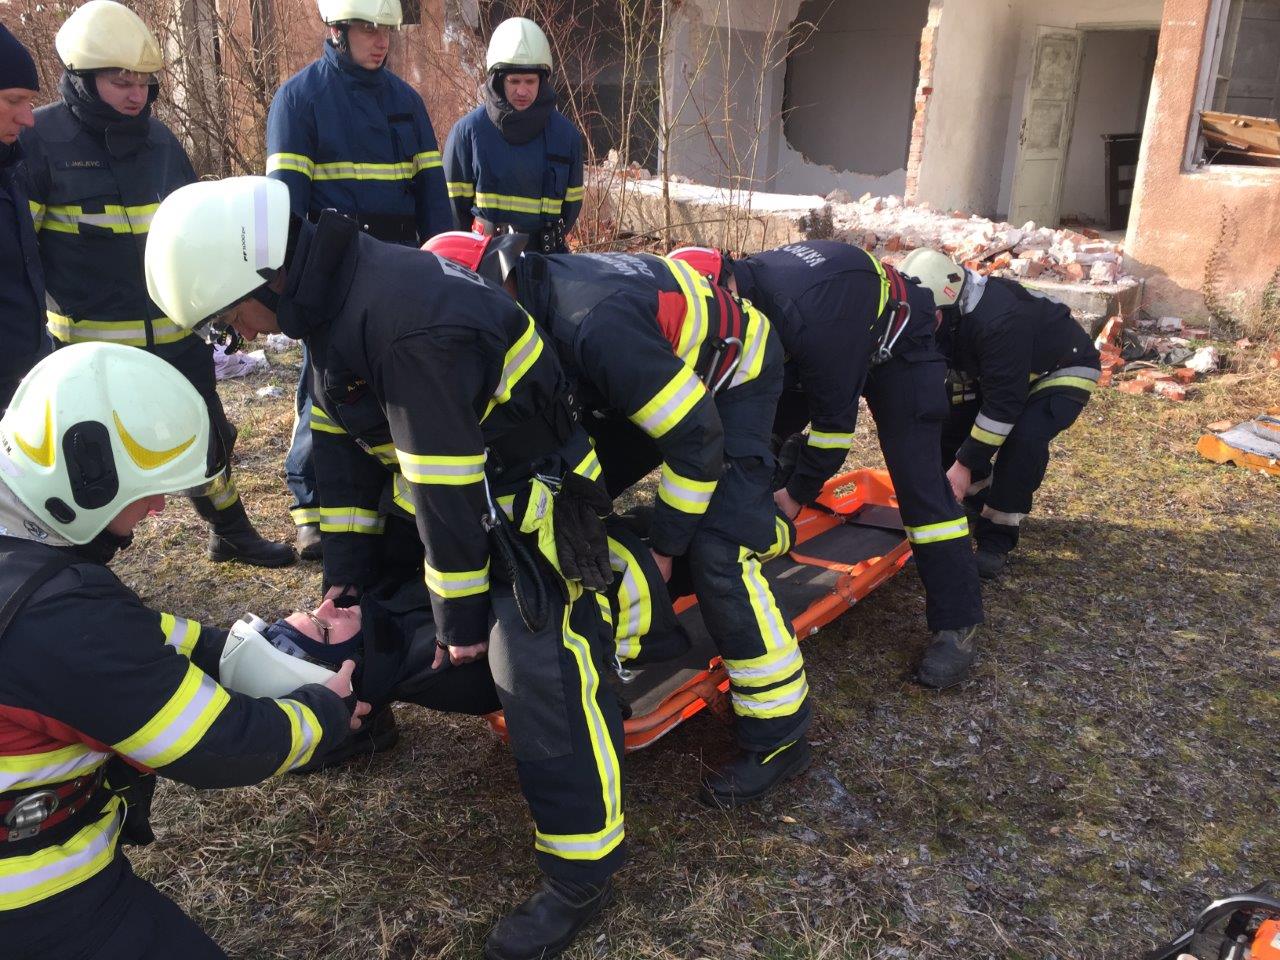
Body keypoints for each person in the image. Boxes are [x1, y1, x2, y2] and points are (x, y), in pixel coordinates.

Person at [145, 175, 625, 960]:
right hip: (461, 498)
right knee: (360, 614)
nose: (241, 333)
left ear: (257, 278)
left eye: (230, 318)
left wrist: (460, 620)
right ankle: (360, 717)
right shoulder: (334, 299)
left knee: (533, 665)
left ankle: (581, 873)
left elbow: (446, 485)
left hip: (535, 504)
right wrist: (344, 576)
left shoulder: (403, 324)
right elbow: (339, 449)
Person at [0, 343, 364, 959]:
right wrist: (324, 715)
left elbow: (139, 638)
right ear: (85, 476)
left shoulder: (29, 571)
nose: (161, 507)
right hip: (32, 901)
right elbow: (215, 746)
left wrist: (258, 646)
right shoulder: (61, 615)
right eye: (148, 488)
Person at [425, 232, 813, 809]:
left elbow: (697, 437)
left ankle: (779, 733)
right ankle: (611, 649)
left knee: (718, 550)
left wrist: (668, 546)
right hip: (654, 371)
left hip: (736, 373)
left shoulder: (592, 322)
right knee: (580, 503)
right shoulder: (527, 304)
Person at [19, 0, 293, 568]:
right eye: (121, 82)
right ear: (82, 77)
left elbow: (197, 237)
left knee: (208, 435)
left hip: (175, 336)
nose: (135, 96)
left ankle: (230, 532)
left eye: (144, 83)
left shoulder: (162, 143)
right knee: (90, 463)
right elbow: (23, 258)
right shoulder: (39, 142)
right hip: (88, 352)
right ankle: (75, 567)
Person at [668, 243, 985, 689]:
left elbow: (835, 430)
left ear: (725, 288)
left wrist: (796, 494)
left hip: (897, 345)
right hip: (830, 338)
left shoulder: (807, 315)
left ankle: (957, 625)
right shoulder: (750, 301)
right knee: (752, 444)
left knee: (919, 485)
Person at [267, 0, 453, 561]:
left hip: (396, 268)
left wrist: (445, 264)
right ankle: (311, 507)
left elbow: (432, 197)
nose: (380, 40)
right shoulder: (299, 100)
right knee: (321, 389)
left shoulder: (405, 102)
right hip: (331, 272)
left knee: (392, 388)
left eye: (385, 29)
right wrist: (294, 282)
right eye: (368, 29)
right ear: (337, 29)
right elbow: (287, 208)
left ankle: (383, 501)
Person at [900, 249, 1102, 580]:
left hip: (1061, 367)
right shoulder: (953, 313)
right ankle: (976, 498)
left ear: (945, 306)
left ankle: (997, 537)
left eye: (929, 318)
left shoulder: (998, 321)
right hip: (1000, 371)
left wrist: (964, 464)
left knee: (1022, 440)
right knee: (949, 424)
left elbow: (1003, 406)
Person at [443, 17, 584, 253]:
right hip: (485, 260)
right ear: (499, 80)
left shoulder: (566, 137)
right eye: (514, 81)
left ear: (542, 81)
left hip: (547, 260)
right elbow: (454, 211)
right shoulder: (468, 133)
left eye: (530, 81)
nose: (522, 90)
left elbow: (571, 207)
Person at [0, 24, 50, 411]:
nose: (27, 119)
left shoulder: (10, 167)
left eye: (30, 103)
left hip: (19, 390)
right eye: (14, 100)